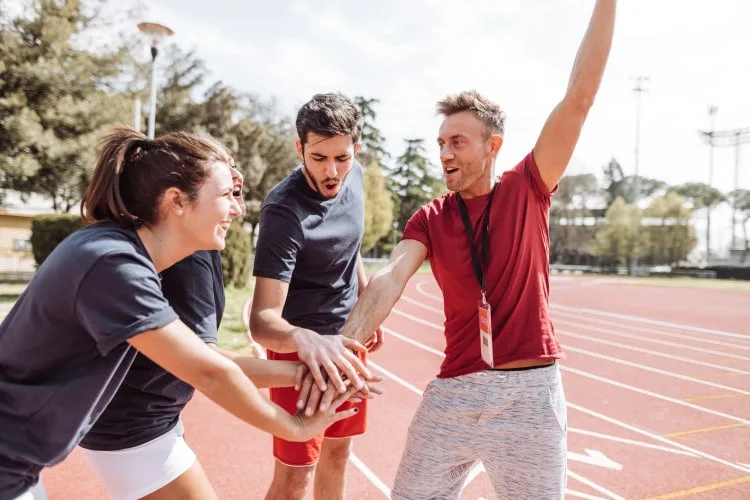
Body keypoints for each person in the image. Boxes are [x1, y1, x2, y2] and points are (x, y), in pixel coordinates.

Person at [307, 2, 617, 498]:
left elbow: (579, 96)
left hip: (528, 395)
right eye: (441, 143)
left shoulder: (528, 187)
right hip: (453, 391)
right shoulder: (431, 217)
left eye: (458, 142)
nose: (446, 154)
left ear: (493, 146)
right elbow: (390, 279)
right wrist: (344, 352)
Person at [0, 126, 366, 500]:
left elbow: (207, 361)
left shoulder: (127, 258)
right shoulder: (113, 265)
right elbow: (210, 372)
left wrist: (313, 373)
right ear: (177, 201)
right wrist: (296, 427)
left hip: (21, 463)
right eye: (226, 195)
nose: (238, 208)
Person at [249, 92, 383, 500]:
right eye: (319, 157)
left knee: (339, 453)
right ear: (299, 148)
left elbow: (350, 246)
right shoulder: (283, 211)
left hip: (348, 343)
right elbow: (262, 320)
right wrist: (304, 341)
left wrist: (365, 305)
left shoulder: (354, 174)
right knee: (295, 475)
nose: (332, 171)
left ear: (355, 149)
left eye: (342, 158)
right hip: (300, 351)